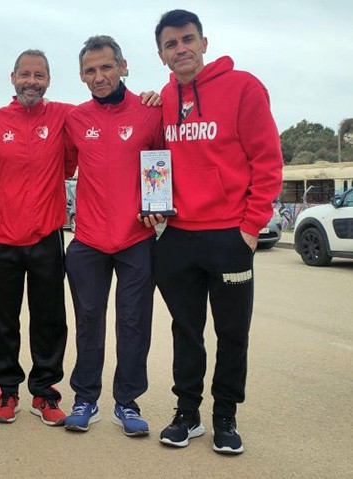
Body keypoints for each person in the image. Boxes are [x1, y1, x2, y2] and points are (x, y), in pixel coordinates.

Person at [150, 9, 283, 454]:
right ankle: (187, 413)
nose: (181, 48)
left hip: (229, 237)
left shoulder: (243, 87)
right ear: (162, 54)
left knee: (232, 332)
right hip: (178, 238)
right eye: (171, 43)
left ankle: (225, 414)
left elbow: (267, 162)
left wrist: (249, 229)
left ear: (204, 43)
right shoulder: (163, 100)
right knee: (185, 330)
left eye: (187, 39)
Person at [0, 50, 75, 426]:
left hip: (46, 238)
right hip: (1, 239)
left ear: (49, 80)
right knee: (3, 320)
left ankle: (44, 393)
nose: (32, 81)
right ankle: (7, 391)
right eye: (25, 74)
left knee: (49, 318)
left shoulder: (64, 116)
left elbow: (90, 146)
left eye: (39, 75)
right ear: (12, 77)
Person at [63, 35, 164, 435]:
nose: (99, 76)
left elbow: (163, 166)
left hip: (136, 237)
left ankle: (128, 402)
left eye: (107, 67)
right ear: (81, 75)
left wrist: (157, 209)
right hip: (87, 239)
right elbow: (63, 167)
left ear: (123, 66)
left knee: (134, 322)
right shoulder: (75, 119)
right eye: (90, 70)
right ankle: (85, 398)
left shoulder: (150, 112)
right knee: (88, 320)